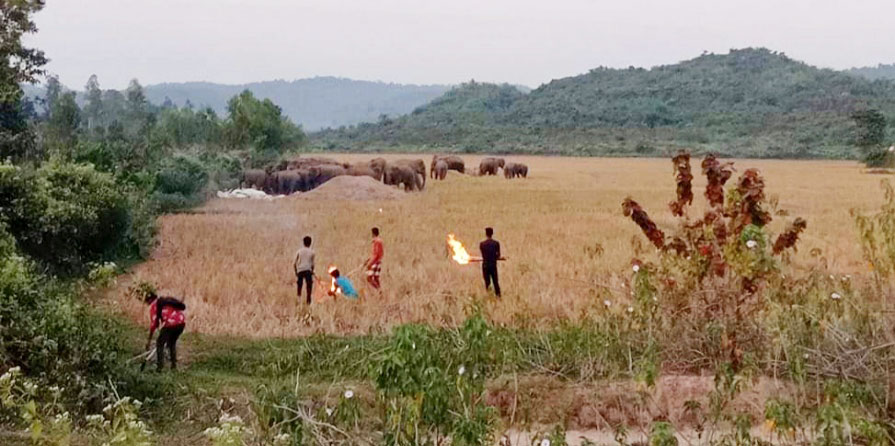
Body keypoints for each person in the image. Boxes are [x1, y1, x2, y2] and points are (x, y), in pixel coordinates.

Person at [143, 290, 186, 371]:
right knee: (172, 343)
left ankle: (160, 367)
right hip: (181, 323)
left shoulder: (154, 305)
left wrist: (149, 340)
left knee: (159, 344)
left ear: (149, 300)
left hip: (171, 324)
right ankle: (174, 366)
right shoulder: (165, 301)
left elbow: (154, 324)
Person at [479, 227, 504, 297]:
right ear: (492, 233)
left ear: (486, 234)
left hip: (485, 265)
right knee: (495, 282)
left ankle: (489, 296)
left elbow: (483, 254)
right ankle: (498, 296)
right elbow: (498, 255)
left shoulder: (482, 244)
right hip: (493, 265)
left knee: (487, 282)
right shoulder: (496, 243)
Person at [293, 236, 316, 304]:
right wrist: (312, 271)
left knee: (299, 286)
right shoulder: (312, 252)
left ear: (303, 243)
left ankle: (298, 299)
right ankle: (308, 301)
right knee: (309, 286)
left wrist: (296, 272)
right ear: (310, 243)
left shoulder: (299, 251)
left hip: (300, 270)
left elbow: (294, 263)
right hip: (308, 271)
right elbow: (312, 264)